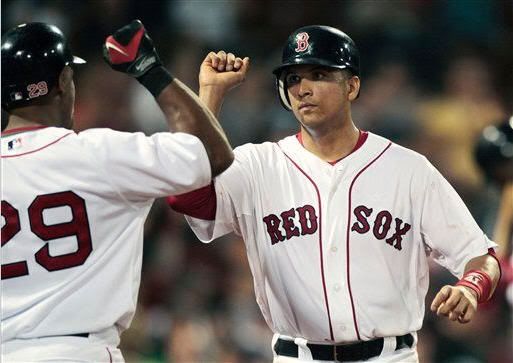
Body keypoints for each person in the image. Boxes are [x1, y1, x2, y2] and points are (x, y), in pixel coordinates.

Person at [168, 25, 501, 362]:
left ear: (352, 85)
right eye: (293, 79)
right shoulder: (257, 166)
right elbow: (188, 198)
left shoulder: (408, 169)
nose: (303, 89)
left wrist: (470, 287)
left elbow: (481, 256)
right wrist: (209, 96)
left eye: (319, 74)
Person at [1, 20, 234, 362]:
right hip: (81, 351)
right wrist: (149, 69)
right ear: (64, 82)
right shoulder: (98, 154)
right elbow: (213, 152)